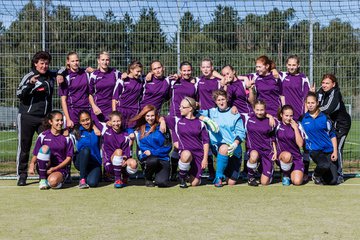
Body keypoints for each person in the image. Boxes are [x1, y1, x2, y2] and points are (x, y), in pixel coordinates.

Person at [16, 51, 64, 186]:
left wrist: (60, 74)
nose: (44, 66)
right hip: (27, 117)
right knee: (24, 147)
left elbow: (64, 68)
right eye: (41, 63)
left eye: (47, 63)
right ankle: (22, 175)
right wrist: (30, 84)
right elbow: (19, 93)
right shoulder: (29, 76)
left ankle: (47, 172)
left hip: (44, 119)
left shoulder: (51, 75)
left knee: (49, 145)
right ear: (35, 64)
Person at [199, 90, 246, 187]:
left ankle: (223, 169)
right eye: (218, 100)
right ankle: (218, 177)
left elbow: (241, 133)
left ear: (227, 99)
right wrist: (206, 119)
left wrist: (235, 144)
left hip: (234, 149)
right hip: (219, 146)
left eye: (223, 99)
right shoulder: (211, 112)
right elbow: (194, 113)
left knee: (231, 183)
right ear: (215, 102)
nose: (221, 102)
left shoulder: (235, 114)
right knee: (224, 148)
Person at [164, 97, 210, 188]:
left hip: (198, 154)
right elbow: (161, 117)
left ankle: (188, 173)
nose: (180, 108)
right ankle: (182, 178)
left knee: (194, 183)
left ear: (190, 109)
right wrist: (162, 121)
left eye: (183, 107)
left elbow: (206, 142)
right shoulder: (177, 120)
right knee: (186, 154)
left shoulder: (201, 123)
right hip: (185, 152)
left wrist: (205, 158)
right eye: (180, 106)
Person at [316, 74, 351, 182]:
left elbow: (327, 108)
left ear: (333, 84)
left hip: (342, 125)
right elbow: (313, 100)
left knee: (338, 148)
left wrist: (313, 111)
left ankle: (340, 174)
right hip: (330, 125)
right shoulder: (321, 92)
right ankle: (326, 172)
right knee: (326, 148)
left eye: (327, 83)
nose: (324, 85)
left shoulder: (335, 94)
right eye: (323, 83)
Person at [168, 61, 198, 181]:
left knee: (189, 145)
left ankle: (186, 171)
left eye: (188, 70)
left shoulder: (194, 84)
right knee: (177, 146)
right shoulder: (174, 81)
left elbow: (197, 102)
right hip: (175, 117)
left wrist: (196, 105)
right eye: (184, 70)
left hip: (189, 118)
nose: (186, 73)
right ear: (180, 71)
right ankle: (174, 172)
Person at [28, 111, 74, 189]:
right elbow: (36, 154)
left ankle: (55, 181)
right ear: (50, 122)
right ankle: (43, 179)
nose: (60, 122)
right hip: (45, 167)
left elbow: (69, 158)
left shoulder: (67, 137)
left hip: (60, 169)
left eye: (61, 120)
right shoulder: (43, 135)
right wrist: (32, 165)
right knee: (45, 148)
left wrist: (55, 169)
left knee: (53, 182)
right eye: (57, 120)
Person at [300, 92, 338, 185]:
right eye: (308, 103)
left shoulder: (325, 117)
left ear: (317, 103)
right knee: (324, 165)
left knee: (332, 181)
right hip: (314, 150)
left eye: (312, 103)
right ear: (305, 104)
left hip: (328, 149)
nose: (310, 105)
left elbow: (332, 135)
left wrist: (335, 151)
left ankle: (321, 174)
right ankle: (316, 175)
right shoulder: (302, 119)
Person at [131, 105, 172, 187]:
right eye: (148, 116)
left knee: (162, 183)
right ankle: (148, 178)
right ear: (144, 116)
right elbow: (142, 146)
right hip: (148, 158)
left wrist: (162, 120)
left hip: (162, 157)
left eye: (152, 115)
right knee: (153, 160)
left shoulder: (163, 127)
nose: (150, 118)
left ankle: (158, 175)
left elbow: (168, 147)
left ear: (156, 115)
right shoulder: (140, 128)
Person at [96, 111, 138, 188]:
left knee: (133, 163)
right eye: (114, 121)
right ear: (110, 122)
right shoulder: (105, 131)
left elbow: (127, 150)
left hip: (122, 160)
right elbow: (95, 120)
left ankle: (125, 176)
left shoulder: (125, 134)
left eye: (118, 121)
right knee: (119, 151)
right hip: (109, 163)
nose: (116, 123)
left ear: (121, 121)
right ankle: (117, 179)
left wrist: (125, 158)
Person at [244, 100, 277, 186]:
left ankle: (263, 170)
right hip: (254, 149)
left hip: (267, 151)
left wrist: (275, 152)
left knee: (264, 183)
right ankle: (251, 177)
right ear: (253, 110)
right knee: (254, 155)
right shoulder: (248, 118)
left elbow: (274, 138)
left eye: (262, 110)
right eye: (257, 110)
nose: (259, 112)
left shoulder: (271, 121)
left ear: (265, 109)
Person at [58, 51, 91, 129]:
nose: (75, 63)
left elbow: (90, 93)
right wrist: (68, 119)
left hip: (86, 109)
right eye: (73, 61)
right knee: (73, 137)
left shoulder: (86, 74)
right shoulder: (65, 76)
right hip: (73, 111)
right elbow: (63, 100)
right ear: (68, 62)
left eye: (77, 60)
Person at [275, 105, 304, 186]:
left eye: (291, 116)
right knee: (287, 156)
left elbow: (300, 144)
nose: (289, 118)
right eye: (286, 115)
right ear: (281, 115)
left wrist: (295, 128)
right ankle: (285, 174)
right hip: (283, 157)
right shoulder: (277, 125)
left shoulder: (297, 125)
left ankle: (291, 172)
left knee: (297, 182)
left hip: (296, 158)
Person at [72, 110, 102, 188]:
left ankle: (87, 175)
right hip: (80, 160)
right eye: (83, 121)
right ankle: (82, 180)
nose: (86, 122)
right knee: (86, 150)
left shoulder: (97, 130)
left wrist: (94, 127)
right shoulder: (77, 131)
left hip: (94, 162)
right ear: (80, 122)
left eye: (87, 119)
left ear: (91, 119)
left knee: (92, 183)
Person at [89, 51, 120, 124]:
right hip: (98, 109)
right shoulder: (94, 75)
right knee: (98, 133)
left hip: (111, 108)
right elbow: (90, 94)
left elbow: (127, 78)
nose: (105, 62)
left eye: (107, 60)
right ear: (98, 61)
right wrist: (94, 106)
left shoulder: (115, 73)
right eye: (103, 60)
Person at [112, 60, 144, 131]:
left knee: (130, 133)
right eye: (137, 71)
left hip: (134, 110)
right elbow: (114, 98)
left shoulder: (141, 81)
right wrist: (114, 113)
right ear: (131, 70)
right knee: (119, 131)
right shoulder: (122, 80)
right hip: (121, 109)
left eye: (141, 72)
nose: (139, 74)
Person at [279, 55, 310, 121]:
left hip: (299, 114)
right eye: (289, 65)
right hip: (286, 115)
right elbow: (282, 95)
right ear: (286, 65)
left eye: (294, 65)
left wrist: (306, 115)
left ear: (298, 65)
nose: (291, 67)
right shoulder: (283, 76)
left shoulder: (303, 78)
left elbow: (306, 99)